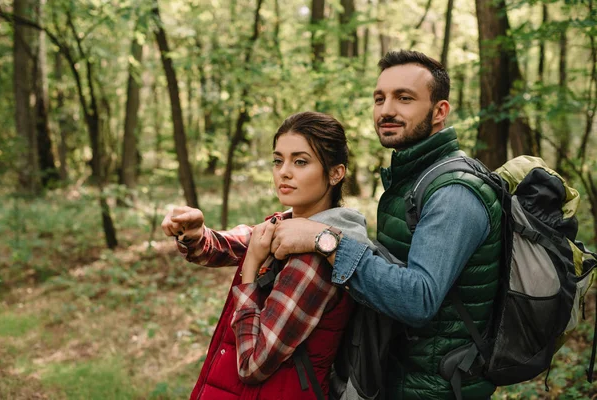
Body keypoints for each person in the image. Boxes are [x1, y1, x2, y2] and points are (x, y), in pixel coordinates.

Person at [268, 50, 503, 400]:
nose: (386, 110)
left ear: (440, 112)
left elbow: (417, 299)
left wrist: (324, 239)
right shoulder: (411, 180)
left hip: (435, 387)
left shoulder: (454, 191)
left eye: (404, 98)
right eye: (380, 98)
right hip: (398, 374)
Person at [161, 111, 376, 400]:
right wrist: (195, 232)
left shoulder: (316, 256)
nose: (284, 172)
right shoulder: (283, 225)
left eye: (300, 161)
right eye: (278, 160)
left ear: (336, 173)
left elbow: (253, 364)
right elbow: (222, 246)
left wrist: (250, 269)